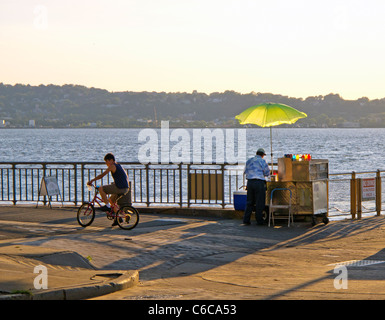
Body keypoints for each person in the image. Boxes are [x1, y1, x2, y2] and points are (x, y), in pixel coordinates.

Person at [87, 153, 129, 222]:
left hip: (120, 187)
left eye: (106, 161)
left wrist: (92, 180)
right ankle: (118, 218)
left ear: (111, 160)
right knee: (111, 201)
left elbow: (102, 175)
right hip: (125, 188)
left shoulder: (112, 166)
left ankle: (107, 206)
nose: (106, 163)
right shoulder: (119, 166)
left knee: (101, 188)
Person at [242, 148, 270, 226]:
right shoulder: (262, 161)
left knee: (249, 202)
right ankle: (259, 220)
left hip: (250, 182)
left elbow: (245, 171)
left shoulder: (249, 160)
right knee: (259, 202)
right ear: (262, 155)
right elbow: (267, 172)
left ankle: (246, 220)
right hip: (259, 182)